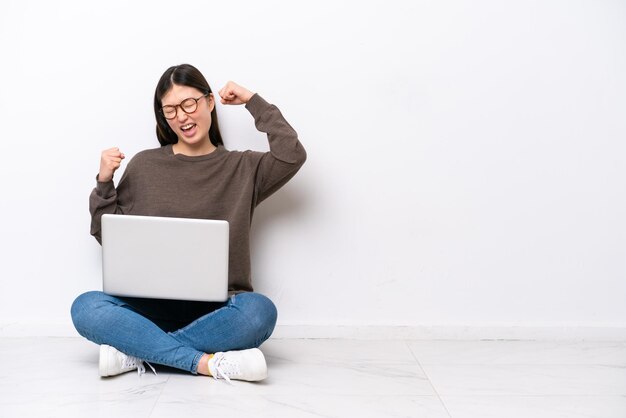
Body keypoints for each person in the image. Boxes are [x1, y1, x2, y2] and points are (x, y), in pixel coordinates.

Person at [70, 63, 306, 382]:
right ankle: (205, 363)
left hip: (218, 310)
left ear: (209, 102)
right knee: (86, 307)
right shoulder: (144, 165)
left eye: (189, 104)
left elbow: (291, 154)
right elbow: (108, 236)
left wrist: (253, 100)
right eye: (170, 109)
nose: (181, 116)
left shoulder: (243, 168)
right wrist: (103, 183)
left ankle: (137, 352)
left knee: (260, 312)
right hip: (148, 308)